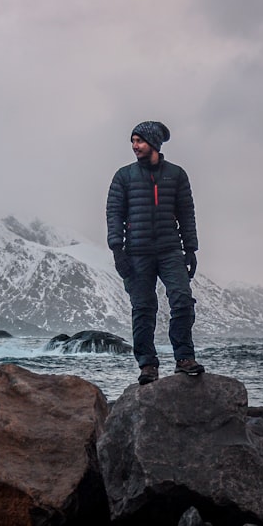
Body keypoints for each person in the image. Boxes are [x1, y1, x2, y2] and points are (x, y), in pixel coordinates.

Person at [106, 120, 204, 384]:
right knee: (143, 309)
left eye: (139, 141)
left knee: (182, 300)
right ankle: (147, 366)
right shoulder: (123, 176)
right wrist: (117, 250)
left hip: (170, 250)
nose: (135, 146)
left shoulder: (177, 175)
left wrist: (191, 248)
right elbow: (114, 214)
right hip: (137, 253)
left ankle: (184, 359)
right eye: (133, 142)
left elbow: (186, 213)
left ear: (154, 143)